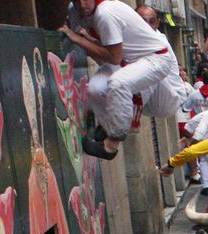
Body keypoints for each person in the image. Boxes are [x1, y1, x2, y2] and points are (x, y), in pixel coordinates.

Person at [62, 0, 185, 160]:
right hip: (128, 65)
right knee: (95, 87)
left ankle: (112, 143)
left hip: (160, 73)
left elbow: (113, 57)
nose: (82, 4)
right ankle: (110, 127)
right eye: (77, 0)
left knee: (119, 82)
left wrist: (80, 40)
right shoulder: (76, 12)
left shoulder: (106, 13)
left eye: (151, 21)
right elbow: (105, 56)